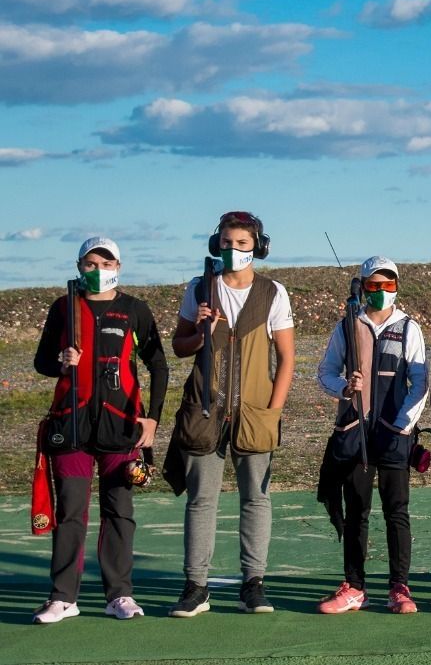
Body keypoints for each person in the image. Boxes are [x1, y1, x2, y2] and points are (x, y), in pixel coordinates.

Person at [30, 237, 169, 624]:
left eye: (106, 264)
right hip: (71, 424)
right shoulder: (63, 307)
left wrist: (153, 418)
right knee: (70, 511)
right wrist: (61, 362)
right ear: (79, 266)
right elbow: (42, 362)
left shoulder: (134, 310)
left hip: (120, 425)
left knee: (119, 511)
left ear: (118, 268)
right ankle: (63, 597)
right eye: (90, 264)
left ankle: (119, 595)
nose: (98, 271)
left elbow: (158, 364)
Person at [167, 210, 296, 617]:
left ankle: (253, 584)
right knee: (201, 501)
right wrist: (200, 329)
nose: (233, 249)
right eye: (226, 242)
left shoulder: (273, 293)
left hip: (255, 413)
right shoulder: (199, 288)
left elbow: (286, 358)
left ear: (258, 247)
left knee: (256, 498)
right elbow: (180, 347)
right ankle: (196, 586)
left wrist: (273, 410)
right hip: (205, 411)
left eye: (241, 243)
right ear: (215, 244)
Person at [314, 256, 429, 614]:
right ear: (363, 287)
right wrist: (345, 388)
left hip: (395, 434)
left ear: (397, 287)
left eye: (388, 285)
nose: (381, 292)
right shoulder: (348, 326)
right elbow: (325, 373)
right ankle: (354, 586)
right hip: (356, 433)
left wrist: (403, 425)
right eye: (374, 286)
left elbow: (420, 382)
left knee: (397, 511)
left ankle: (399, 587)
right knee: (356, 510)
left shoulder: (408, 328)